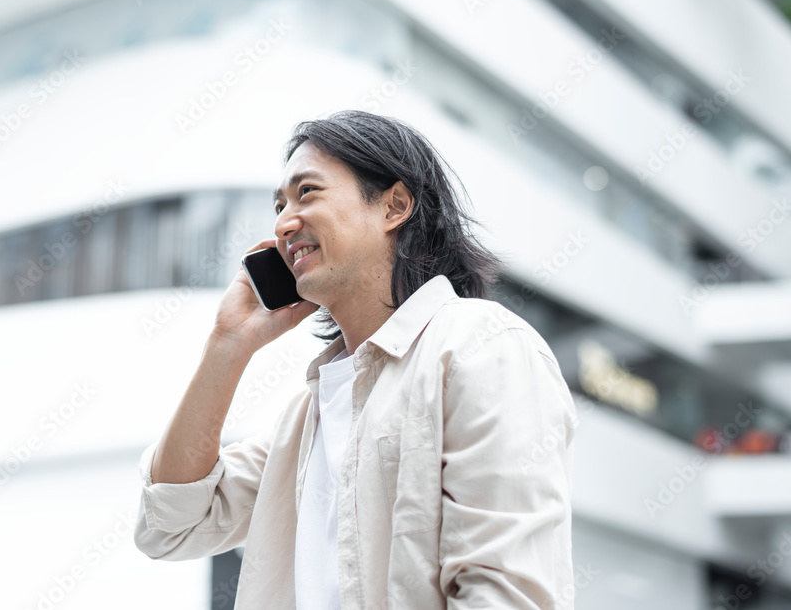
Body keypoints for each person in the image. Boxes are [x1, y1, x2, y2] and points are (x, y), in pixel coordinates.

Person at [133, 110, 577, 610]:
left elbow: (504, 592)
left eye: (307, 193)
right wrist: (227, 345)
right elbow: (169, 525)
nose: (283, 222)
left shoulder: (481, 346)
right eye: (278, 205)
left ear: (395, 206)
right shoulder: (305, 422)